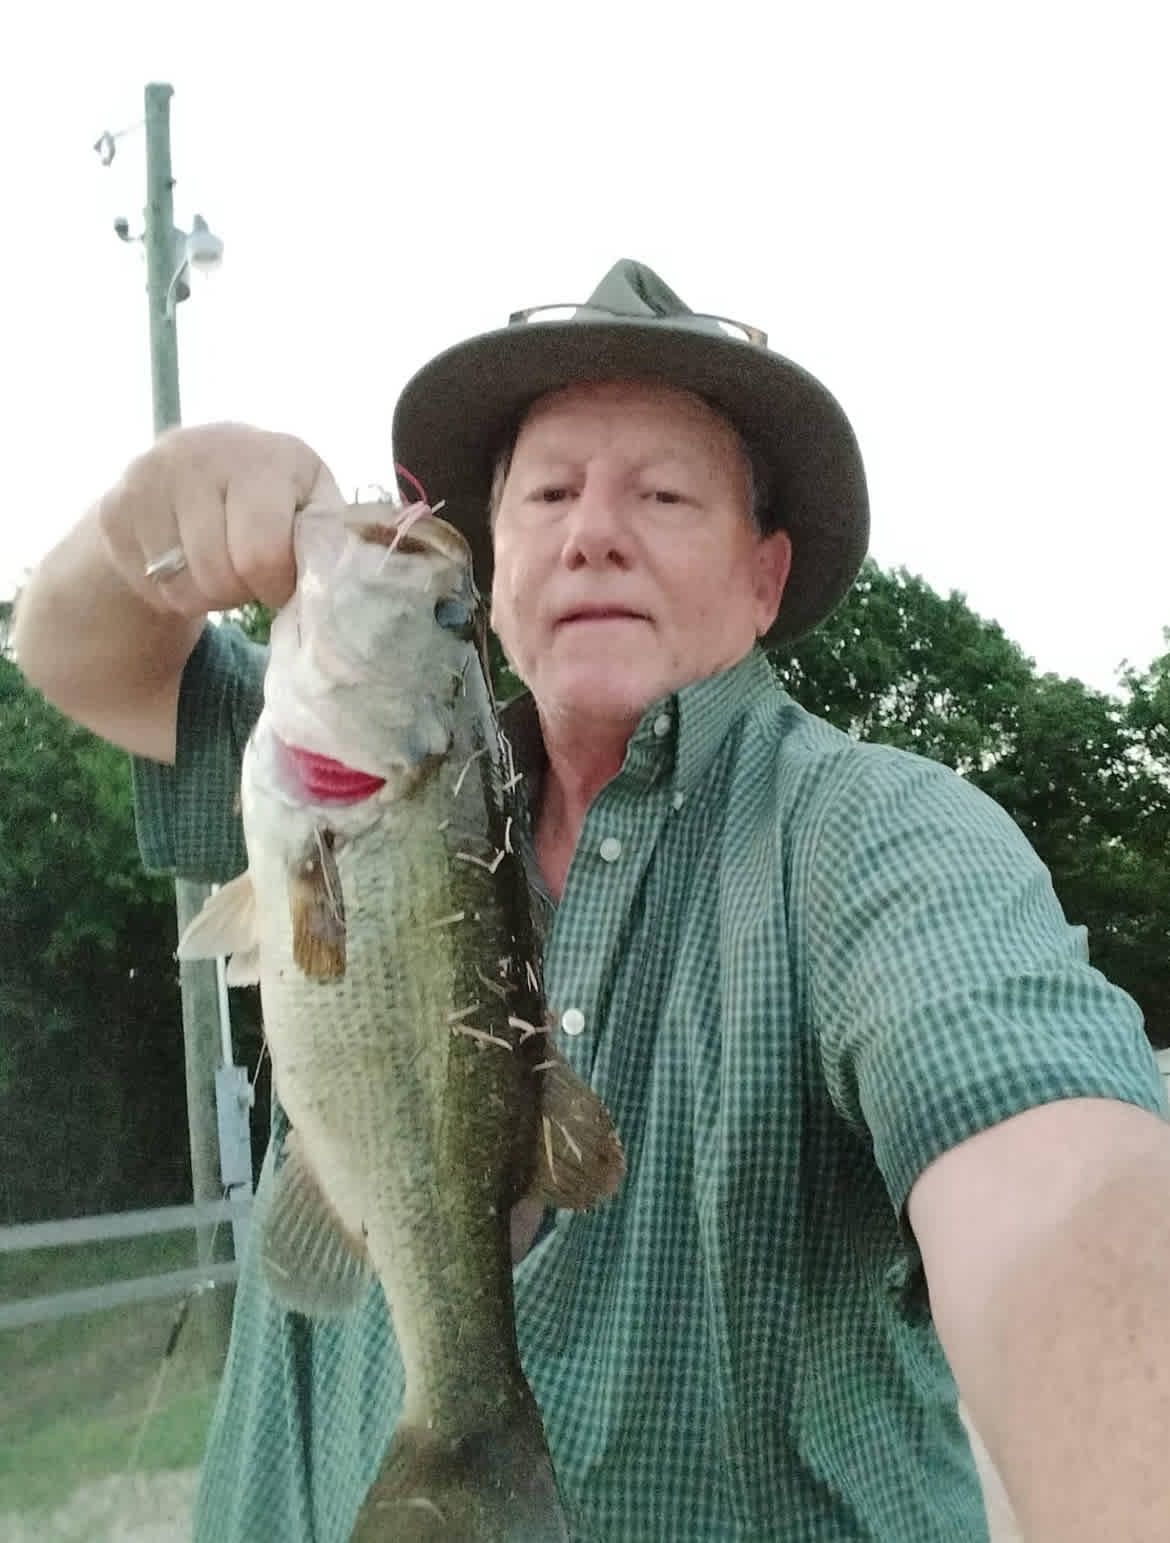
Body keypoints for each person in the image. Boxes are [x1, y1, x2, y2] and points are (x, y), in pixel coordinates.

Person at [14, 259, 1170, 1542]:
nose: (594, 531)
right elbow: (66, 652)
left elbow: (1060, 1188)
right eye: (550, 491)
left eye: (665, 494)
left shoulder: (872, 837)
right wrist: (143, 529)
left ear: (764, 579)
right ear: (498, 568)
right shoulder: (335, 761)